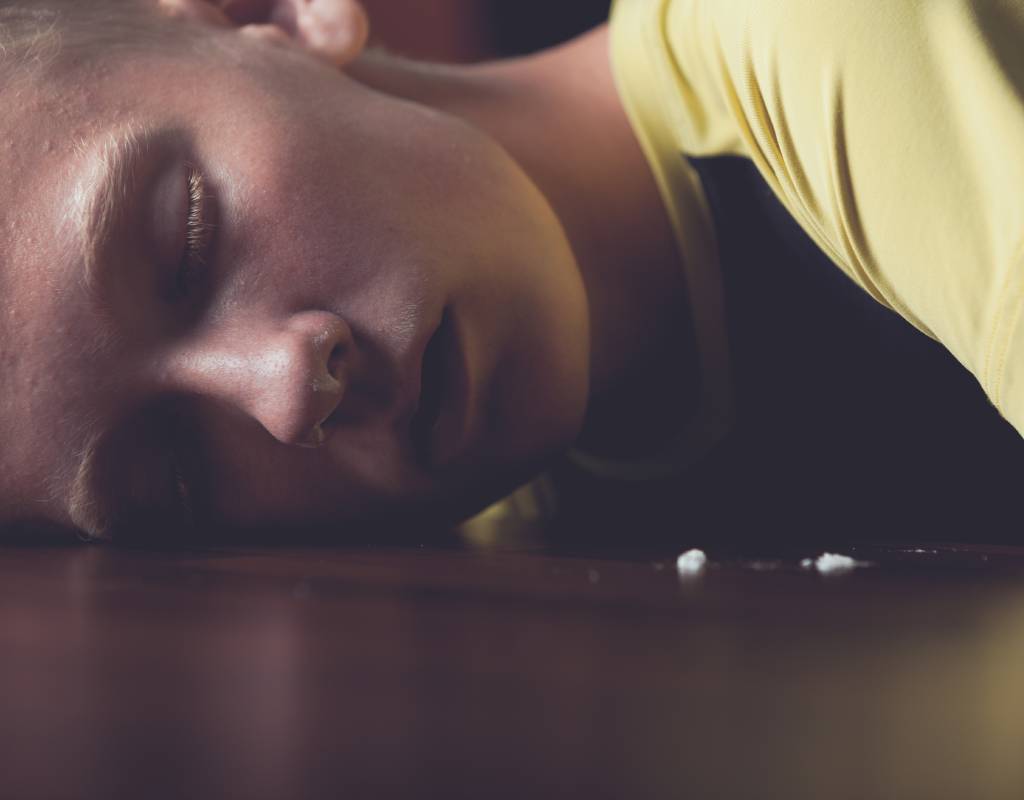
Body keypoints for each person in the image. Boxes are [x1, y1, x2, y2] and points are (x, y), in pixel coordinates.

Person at [1, 0, 1021, 544]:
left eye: (186, 240)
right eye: (175, 476)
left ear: (278, 11)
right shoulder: (521, 530)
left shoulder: (812, 30)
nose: (283, 392)